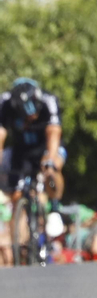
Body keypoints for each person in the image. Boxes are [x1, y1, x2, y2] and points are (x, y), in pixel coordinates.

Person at [0, 78, 64, 253]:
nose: (31, 118)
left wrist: (50, 160)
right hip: (22, 151)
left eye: (33, 115)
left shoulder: (48, 101)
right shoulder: (4, 103)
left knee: (51, 167)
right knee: (17, 194)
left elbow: (53, 132)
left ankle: (55, 207)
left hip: (47, 146)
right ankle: (21, 243)